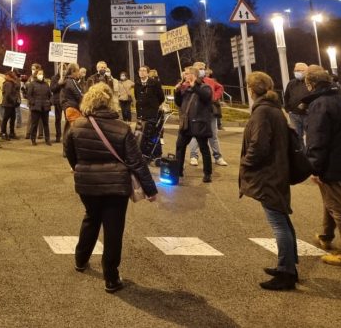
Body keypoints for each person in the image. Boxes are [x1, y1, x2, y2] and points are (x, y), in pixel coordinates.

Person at [64, 83, 157, 293]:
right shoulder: (122, 128)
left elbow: (69, 153)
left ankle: (80, 259)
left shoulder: (77, 125)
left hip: (86, 184)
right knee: (113, 230)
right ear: (109, 102)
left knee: (91, 218)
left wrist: (77, 168)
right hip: (116, 186)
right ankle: (111, 278)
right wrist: (150, 190)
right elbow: (136, 161)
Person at [239, 71, 298, 290]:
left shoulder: (262, 112)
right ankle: (288, 264)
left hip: (269, 174)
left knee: (278, 223)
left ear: (252, 90)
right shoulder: (274, 108)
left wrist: (246, 162)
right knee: (282, 220)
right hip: (277, 170)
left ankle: (286, 272)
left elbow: (259, 145)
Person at [304, 65, 341, 268]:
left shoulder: (320, 104)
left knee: (337, 206)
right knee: (330, 201)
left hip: (329, 162)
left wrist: (315, 167)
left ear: (310, 83)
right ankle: (326, 236)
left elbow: (318, 138)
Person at [174, 67, 214, 183]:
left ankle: (207, 174)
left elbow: (206, 96)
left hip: (199, 125)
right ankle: (178, 170)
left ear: (193, 75)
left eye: (187, 74)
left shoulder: (204, 87)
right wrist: (177, 92)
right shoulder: (187, 89)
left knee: (204, 149)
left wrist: (194, 86)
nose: (184, 76)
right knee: (180, 147)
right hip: (186, 125)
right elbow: (179, 103)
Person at [188, 62, 228, 167]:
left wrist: (215, 97)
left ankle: (218, 157)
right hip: (196, 114)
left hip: (210, 113)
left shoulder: (210, 81)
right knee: (194, 136)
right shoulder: (190, 81)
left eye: (203, 68)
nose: (202, 70)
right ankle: (193, 156)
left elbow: (220, 88)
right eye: (199, 68)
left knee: (213, 135)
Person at [283, 63, 310, 144]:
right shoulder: (291, 83)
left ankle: (310, 155)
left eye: (299, 70)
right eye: (295, 70)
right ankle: (301, 155)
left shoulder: (310, 82)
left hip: (308, 115)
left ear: (306, 71)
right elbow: (286, 96)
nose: (296, 72)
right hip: (294, 115)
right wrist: (288, 109)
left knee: (311, 136)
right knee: (297, 138)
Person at [26, 68, 52, 146]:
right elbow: (29, 95)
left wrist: (50, 102)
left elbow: (50, 95)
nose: (41, 75)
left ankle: (47, 139)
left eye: (42, 74)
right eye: (39, 74)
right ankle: (33, 139)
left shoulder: (46, 84)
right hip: (36, 107)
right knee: (34, 124)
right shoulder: (32, 84)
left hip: (45, 107)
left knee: (46, 124)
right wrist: (33, 102)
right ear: (36, 75)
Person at [0, 71, 21, 139]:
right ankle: (3, 133)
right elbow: (8, 95)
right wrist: (14, 100)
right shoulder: (8, 83)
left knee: (12, 118)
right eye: (13, 75)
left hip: (11, 104)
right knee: (6, 119)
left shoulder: (12, 83)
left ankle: (11, 133)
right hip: (8, 104)